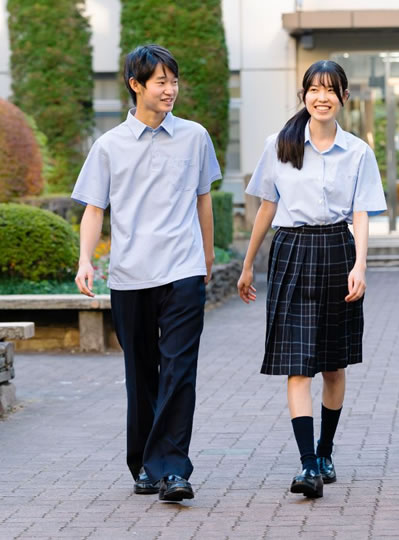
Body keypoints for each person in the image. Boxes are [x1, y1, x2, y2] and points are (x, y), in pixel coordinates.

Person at [73, 45, 221, 501]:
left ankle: (173, 469)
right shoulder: (108, 146)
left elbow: (203, 198)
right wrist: (85, 260)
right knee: (141, 374)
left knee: (180, 370)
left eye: (174, 81)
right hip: (130, 275)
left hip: (182, 269)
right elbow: (94, 208)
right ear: (136, 85)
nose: (170, 89)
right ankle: (143, 463)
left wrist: (208, 256)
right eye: (161, 82)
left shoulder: (195, 137)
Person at [237, 60, 386, 499]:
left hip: (338, 249)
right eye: (314, 89)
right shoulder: (279, 145)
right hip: (291, 250)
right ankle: (307, 466)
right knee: (297, 363)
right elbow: (267, 205)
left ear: (343, 98)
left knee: (334, 364)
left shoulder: (358, 151)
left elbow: (361, 212)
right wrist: (248, 264)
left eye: (331, 90)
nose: (322, 97)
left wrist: (360, 264)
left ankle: (325, 449)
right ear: (303, 95)